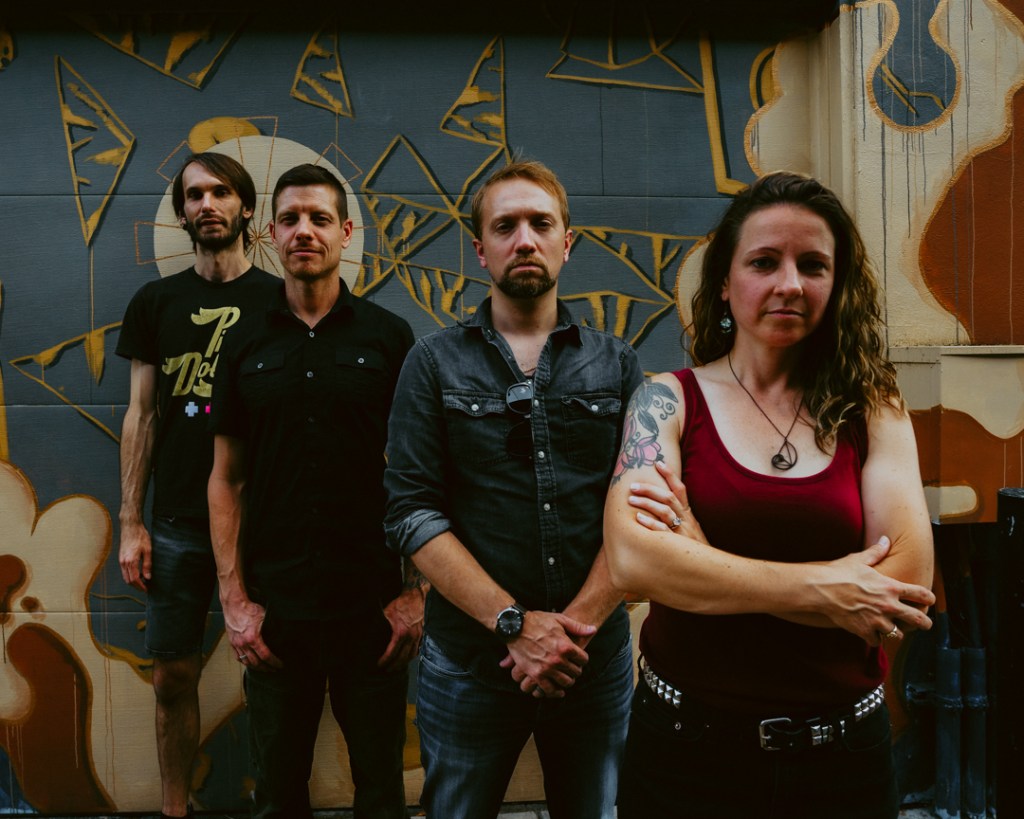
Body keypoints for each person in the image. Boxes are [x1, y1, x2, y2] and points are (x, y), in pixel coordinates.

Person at [603, 171, 936, 818]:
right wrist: (827, 589)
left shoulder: (872, 407)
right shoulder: (666, 400)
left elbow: (900, 594)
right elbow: (634, 562)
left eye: (813, 264)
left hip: (843, 761)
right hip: (687, 755)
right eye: (763, 262)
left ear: (837, 285)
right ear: (725, 283)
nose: (790, 283)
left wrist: (701, 557)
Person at [383, 159, 643, 819]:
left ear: (567, 242)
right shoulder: (431, 363)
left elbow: (640, 512)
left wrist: (568, 636)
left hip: (592, 665)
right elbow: (411, 512)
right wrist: (514, 625)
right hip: (470, 665)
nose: (524, 239)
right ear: (480, 249)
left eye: (540, 224)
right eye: (505, 226)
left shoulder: (617, 363)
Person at [207, 163, 422, 819]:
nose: (305, 230)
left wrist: (417, 592)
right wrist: (234, 599)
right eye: (291, 218)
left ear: (346, 233)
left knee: (381, 791)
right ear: (271, 233)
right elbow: (226, 478)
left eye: (320, 218)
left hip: (373, 610)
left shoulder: (389, 337)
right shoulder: (242, 342)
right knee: (277, 793)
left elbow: (423, 470)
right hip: (276, 613)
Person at [116, 152, 277, 819]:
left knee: (274, 674)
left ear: (246, 207)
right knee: (171, 675)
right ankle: (174, 808)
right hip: (178, 521)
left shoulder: (280, 300)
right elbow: (142, 413)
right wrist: (131, 520)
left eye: (221, 192)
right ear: (182, 213)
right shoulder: (156, 302)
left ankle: (278, 802)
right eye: (194, 195)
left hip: (263, 522)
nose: (207, 204)